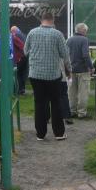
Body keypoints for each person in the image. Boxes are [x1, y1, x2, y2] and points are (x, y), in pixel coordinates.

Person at [24, 11, 71, 140]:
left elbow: (25, 50)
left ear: (42, 20)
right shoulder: (58, 34)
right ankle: (59, 133)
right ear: (53, 20)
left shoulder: (32, 33)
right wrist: (69, 69)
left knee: (39, 103)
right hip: (53, 75)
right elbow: (65, 55)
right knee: (55, 103)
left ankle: (40, 134)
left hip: (35, 74)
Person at [66, 23, 93, 118]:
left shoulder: (69, 40)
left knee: (71, 92)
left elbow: (66, 55)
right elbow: (85, 55)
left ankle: (71, 111)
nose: (86, 33)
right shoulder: (84, 40)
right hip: (83, 70)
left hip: (71, 70)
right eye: (86, 31)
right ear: (83, 30)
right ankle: (81, 113)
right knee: (83, 92)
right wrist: (91, 67)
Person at [10, 26, 27, 95]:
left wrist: (20, 55)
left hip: (20, 57)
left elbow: (22, 46)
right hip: (24, 57)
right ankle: (22, 89)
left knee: (18, 74)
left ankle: (18, 90)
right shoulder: (23, 35)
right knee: (22, 74)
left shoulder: (14, 37)